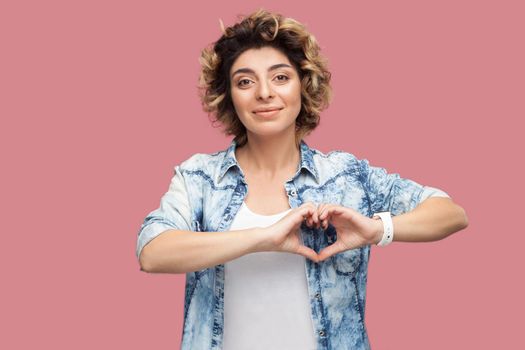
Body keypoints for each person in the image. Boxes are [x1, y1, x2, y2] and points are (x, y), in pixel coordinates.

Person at [135, 8, 469, 350]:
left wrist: (377, 230)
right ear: (229, 96)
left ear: (303, 85)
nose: (264, 93)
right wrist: (263, 237)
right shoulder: (199, 177)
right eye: (245, 81)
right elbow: (152, 252)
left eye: (280, 77)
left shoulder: (344, 175)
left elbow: (451, 213)